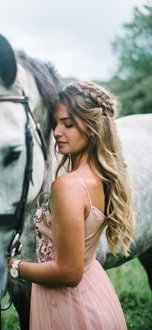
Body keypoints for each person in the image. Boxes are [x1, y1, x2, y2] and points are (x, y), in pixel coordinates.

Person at [8, 81, 135, 330]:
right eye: (55, 123)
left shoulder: (68, 185)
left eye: (68, 124)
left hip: (68, 308)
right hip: (95, 291)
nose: (56, 132)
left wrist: (13, 266)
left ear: (91, 128)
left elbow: (69, 273)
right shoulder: (100, 177)